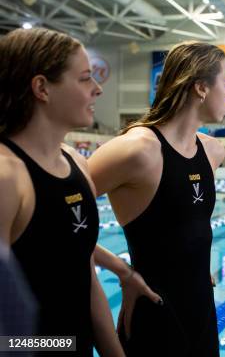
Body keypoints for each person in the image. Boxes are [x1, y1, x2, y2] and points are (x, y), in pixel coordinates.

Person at [88, 41, 225, 356]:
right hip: (154, 315)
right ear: (201, 88)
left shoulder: (212, 151)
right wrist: (122, 271)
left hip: (202, 314)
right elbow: (55, 211)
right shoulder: (136, 150)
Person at [0, 28, 124, 356]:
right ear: (42, 87)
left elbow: (86, 278)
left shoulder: (78, 165)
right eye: (85, 79)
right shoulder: (7, 177)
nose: (97, 89)